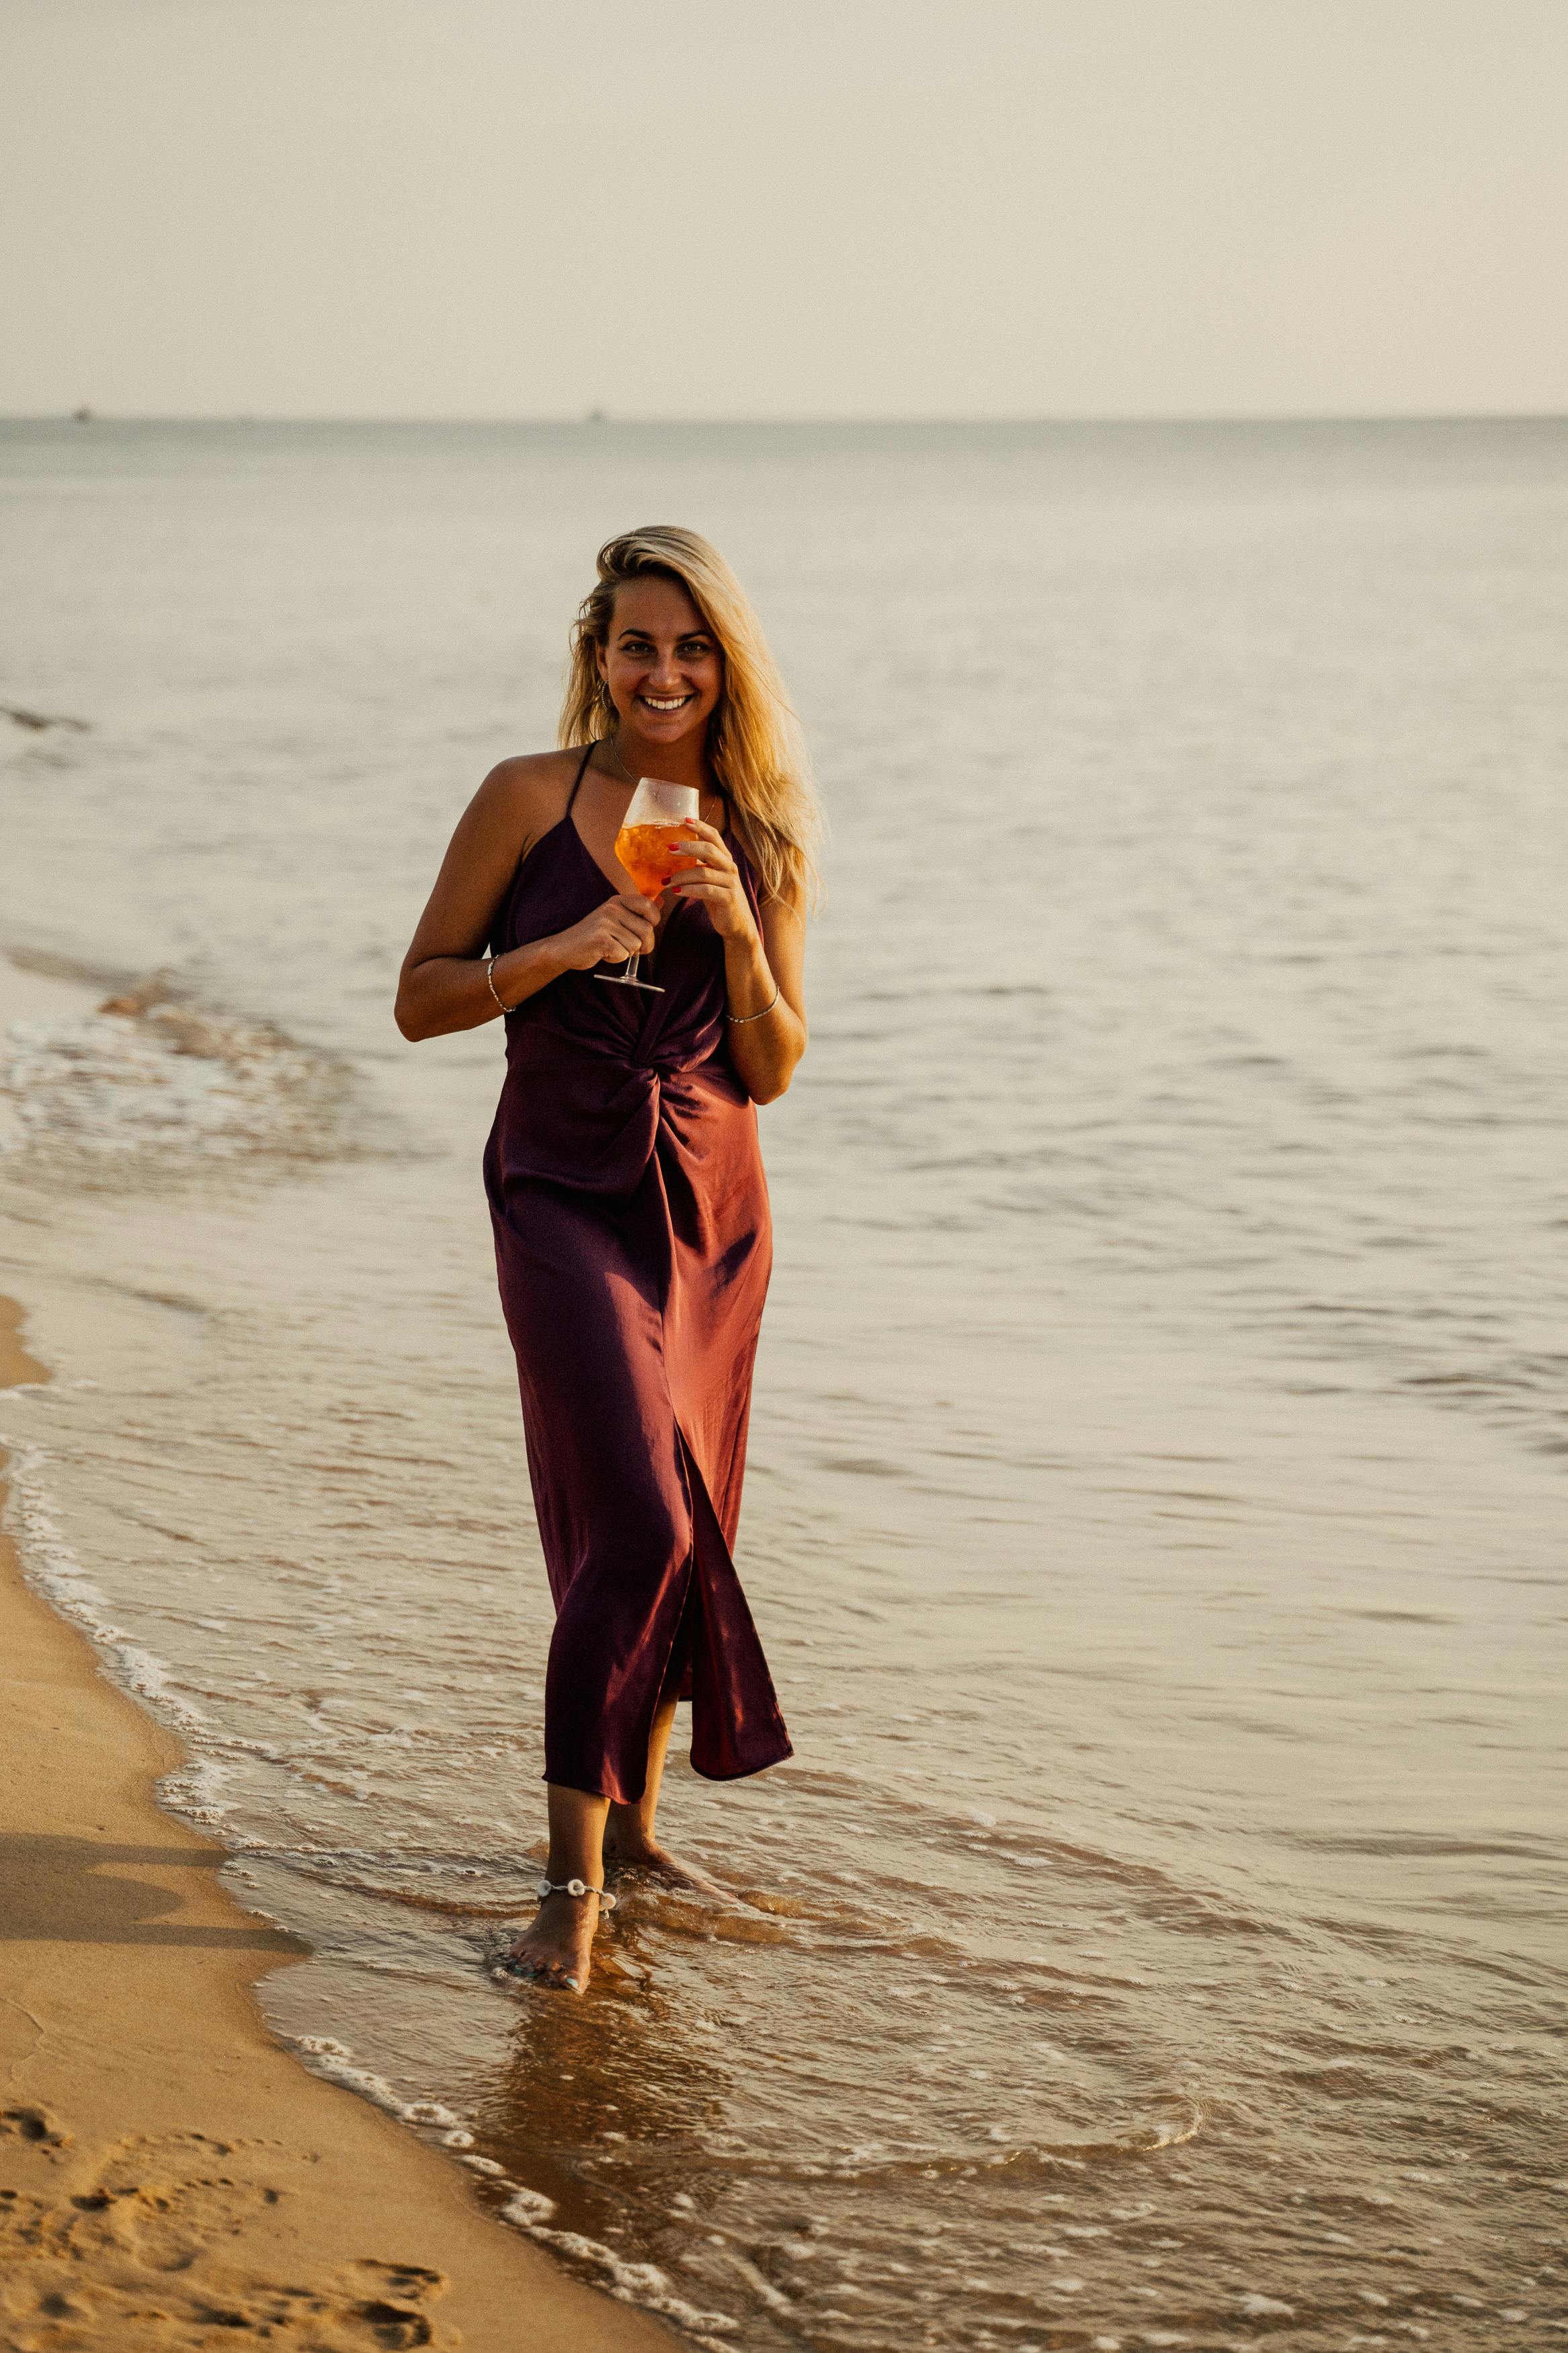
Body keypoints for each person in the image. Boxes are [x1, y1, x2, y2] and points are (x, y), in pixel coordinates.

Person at [395, 526, 819, 1993]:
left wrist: (742, 943)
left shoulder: (758, 835)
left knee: (686, 1530)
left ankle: (633, 1837)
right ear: (598, 654)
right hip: (561, 1189)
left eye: (692, 647)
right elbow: (419, 998)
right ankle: (567, 1884)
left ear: (726, 666)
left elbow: (771, 1064)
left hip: (713, 1209)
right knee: (634, 1522)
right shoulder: (528, 797)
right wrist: (570, 945)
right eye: (638, 643)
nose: (664, 671)